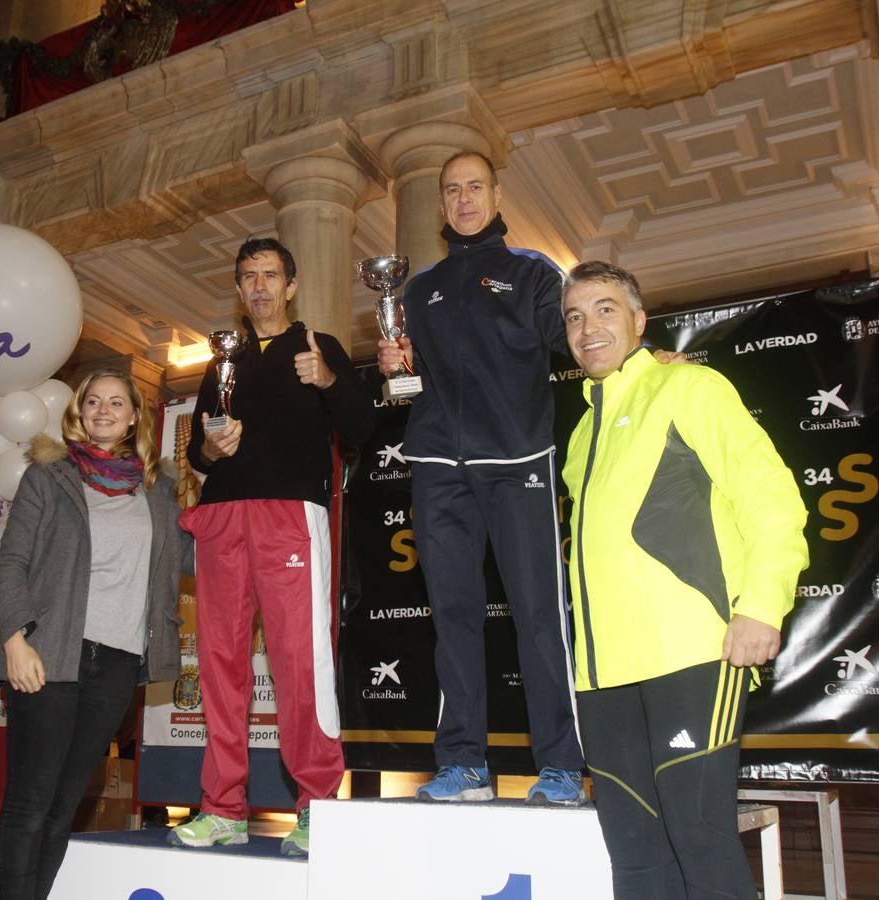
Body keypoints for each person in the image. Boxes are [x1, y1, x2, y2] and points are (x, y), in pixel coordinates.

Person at [559, 261, 808, 899]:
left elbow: (772, 498)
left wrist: (762, 606)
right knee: (636, 858)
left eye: (606, 309)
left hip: (695, 654)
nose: (589, 328)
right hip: (603, 677)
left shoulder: (690, 388)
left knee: (701, 839)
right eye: (575, 316)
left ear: (640, 321)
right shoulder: (583, 431)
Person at [377, 151, 586, 804]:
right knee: (454, 618)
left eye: (474, 187)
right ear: (441, 204)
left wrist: (636, 353)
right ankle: (463, 762)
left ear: (496, 196)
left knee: (538, 616)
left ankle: (561, 765)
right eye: (452, 190)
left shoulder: (531, 272)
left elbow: (578, 340)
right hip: (440, 467)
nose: (463, 199)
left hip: (518, 462)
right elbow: (410, 389)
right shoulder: (417, 291)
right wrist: (396, 370)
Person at [169, 237, 376, 857]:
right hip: (223, 518)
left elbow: (364, 428)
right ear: (239, 290)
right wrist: (210, 450)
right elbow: (198, 453)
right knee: (220, 667)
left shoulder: (318, 348)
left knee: (299, 665)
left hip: (290, 517)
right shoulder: (221, 361)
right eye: (248, 277)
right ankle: (223, 808)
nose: (259, 286)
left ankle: (315, 807)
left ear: (290, 286)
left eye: (270, 275)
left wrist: (331, 380)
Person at [0, 368, 185, 900]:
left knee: (65, 804)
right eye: (93, 401)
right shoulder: (49, 477)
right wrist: (14, 640)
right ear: (78, 412)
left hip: (118, 663)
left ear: (133, 416)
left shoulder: (159, 489)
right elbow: (10, 564)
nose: (103, 410)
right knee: (30, 801)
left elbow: (191, 556)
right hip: (49, 653)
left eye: (116, 403)